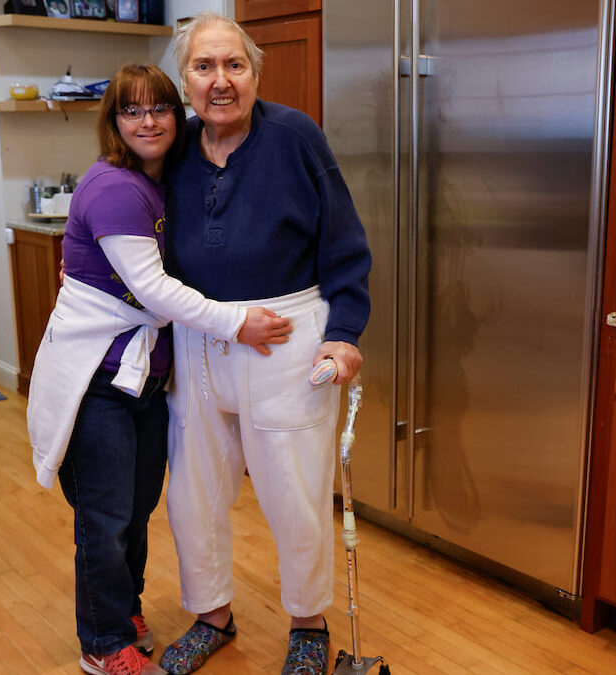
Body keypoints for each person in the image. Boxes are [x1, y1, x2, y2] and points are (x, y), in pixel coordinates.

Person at [26, 63, 291, 675]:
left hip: (142, 377)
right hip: (101, 379)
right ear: (113, 121)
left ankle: (124, 612)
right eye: (131, 110)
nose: (148, 121)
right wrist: (238, 323)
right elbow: (152, 291)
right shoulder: (116, 188)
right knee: (105, 513)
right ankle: (102, 644)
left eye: (160, 109)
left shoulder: (163, 179)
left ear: (179, 116)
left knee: (138, 503)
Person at [157, 12, 372, 675]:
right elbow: (136, 233)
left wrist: (343, 333)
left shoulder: (294, 137)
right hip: (197, 335)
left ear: (254, 73)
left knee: (293, 489)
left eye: (234, 65)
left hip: (283, 338)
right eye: (203, 66)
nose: (219, 81)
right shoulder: (171, 148)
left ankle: (309, 623)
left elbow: (344, 242)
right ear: (184, 78)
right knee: (193, 489)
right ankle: (211, 613)